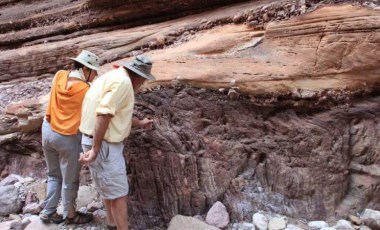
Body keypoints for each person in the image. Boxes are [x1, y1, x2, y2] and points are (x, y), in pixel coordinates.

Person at [79, 55, 156, 230]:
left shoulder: (111, 76)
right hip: (104, 144)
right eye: (143, 81)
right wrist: (96, 149)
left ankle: (111, 224)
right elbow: (104, 113)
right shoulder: (124, 83)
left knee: (109, 189)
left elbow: (114, 115)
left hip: (93, 138)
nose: (142, 84)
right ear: (138, 76)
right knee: (119, 193)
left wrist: (140, 123)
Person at [39, 50, 100, 224]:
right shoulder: (86, 89)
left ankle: (49, 211)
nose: (95, 75)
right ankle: (70, 214)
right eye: (94, 71)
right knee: (70, 178)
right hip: (67, 136)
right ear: (86, 69)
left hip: (47, 129)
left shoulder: (60, 75)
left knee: (53, 174)